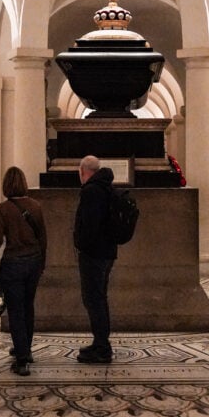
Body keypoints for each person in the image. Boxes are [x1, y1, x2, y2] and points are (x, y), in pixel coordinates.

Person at [0, 166, 46, 376]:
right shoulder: (36, 206)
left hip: (12, 263)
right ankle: (26, 348)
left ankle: (22, 359)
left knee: (14, 310)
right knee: (27, 306)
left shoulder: (3, 209)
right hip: (33, 261)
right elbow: (43, 239)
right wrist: (42, 264)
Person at [73, 154, 117, 364]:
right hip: (107, 252)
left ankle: (101, 346)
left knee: (93, 299)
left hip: (94, 254)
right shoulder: (106, 187)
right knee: (100, 297)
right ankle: (101, 343)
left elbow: (90, 225)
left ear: (83, 172)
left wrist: (80, 244)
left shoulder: (91, 191)